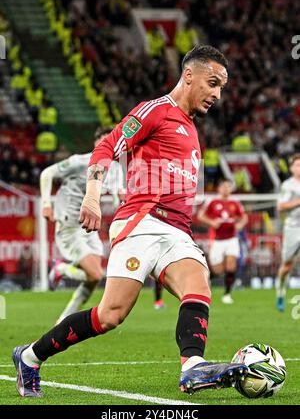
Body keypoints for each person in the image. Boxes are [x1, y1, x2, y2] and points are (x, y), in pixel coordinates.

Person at [13, 45, 248, 397]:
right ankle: (30, 356)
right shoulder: (156, 111)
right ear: (188, 75)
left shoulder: (191, 129)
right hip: (142, 223)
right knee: (110, 315)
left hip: (177, 231)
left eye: (222, 87)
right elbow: (107, 147)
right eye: (212, 83)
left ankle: (193, 367)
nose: (217, 94)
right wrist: (93, 195)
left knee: (198, 282)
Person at [40, 126, 124, 324]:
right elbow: (47, 174)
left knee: (95, 277)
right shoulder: (80, 161)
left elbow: (117, 196)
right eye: (104, 140)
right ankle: (60, 269)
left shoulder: (116, 168)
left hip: (88, 226)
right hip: (69, 222)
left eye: (112, 140)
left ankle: (63, 320)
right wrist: (46, 204)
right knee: (95, 273)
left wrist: (121, 200)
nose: (108, 144)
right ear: (96, 142)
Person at [198, 179, 248, 304]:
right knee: (217, 270)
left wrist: (240, 225)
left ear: (231, 189)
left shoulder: (235, 203)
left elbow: (244, 217)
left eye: (228, 187)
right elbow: (200, 215)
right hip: (217, 240)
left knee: (231, 266)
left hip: (232, 239)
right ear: (219, 188)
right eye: (223, 186)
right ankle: (206, 280)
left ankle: (227, 294)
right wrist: (212, 222)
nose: (226, 189)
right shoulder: (212, 201)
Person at [276, 154, 300, 312]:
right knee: (287, 266)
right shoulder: (288, 185)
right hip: (293, 227)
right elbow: (280, 206)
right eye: (297, 165)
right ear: (291, 168)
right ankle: (280, 293)